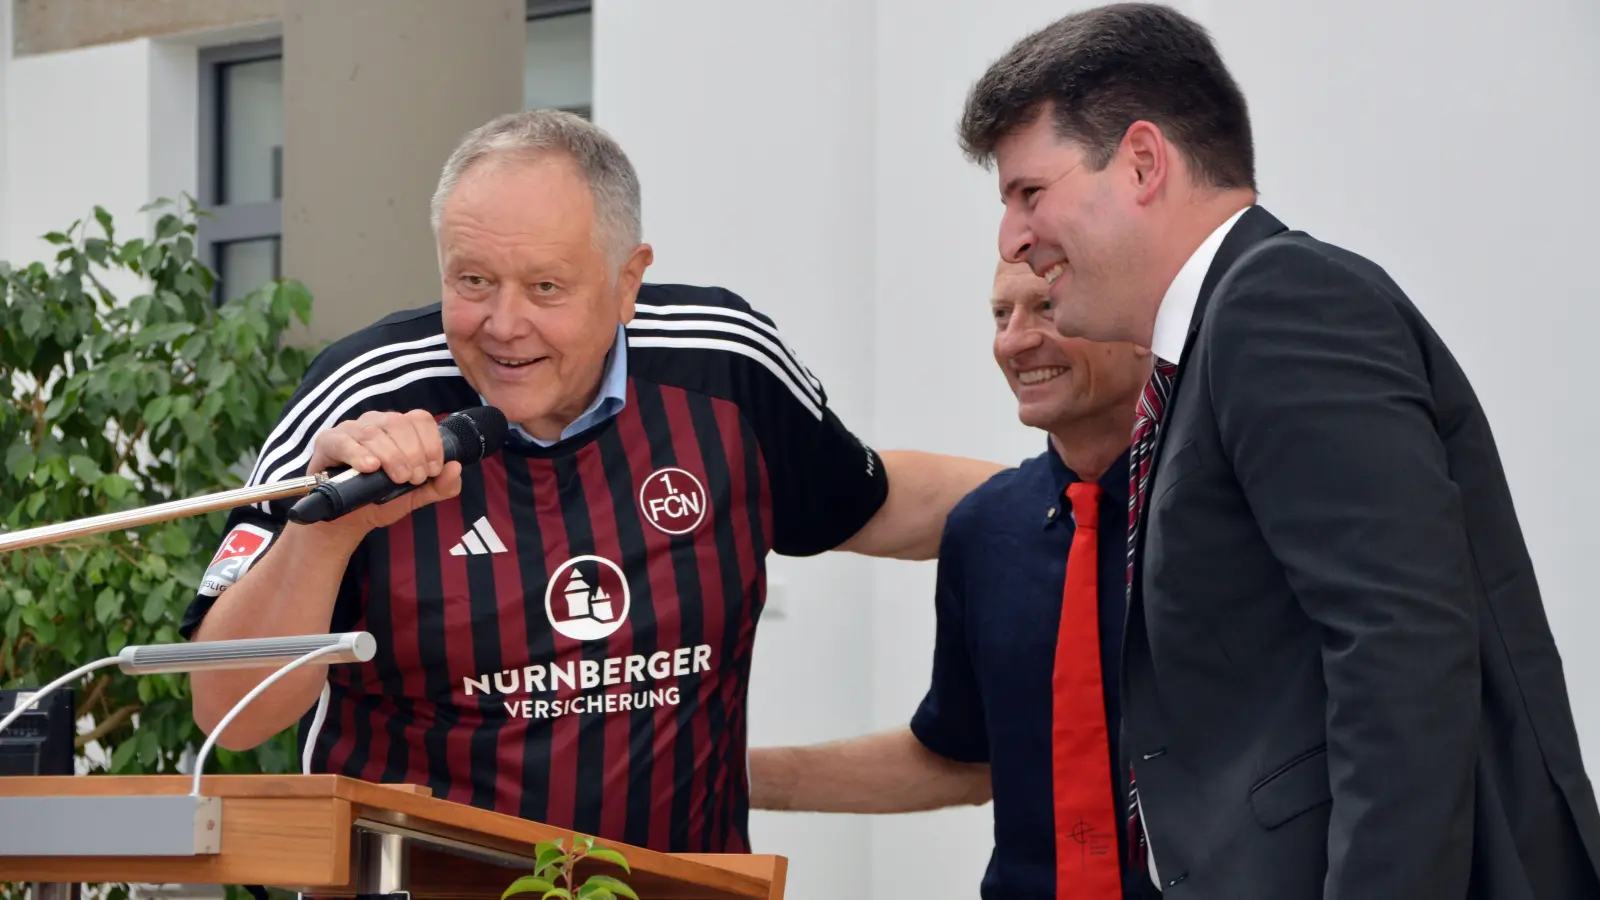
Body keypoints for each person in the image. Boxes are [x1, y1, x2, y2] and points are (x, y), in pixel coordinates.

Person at [180, 108, 1002, 854]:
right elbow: (229, 711)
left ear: (628, 281)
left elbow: (875, 503)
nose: (504, 325)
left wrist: (1104, 492)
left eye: (545, 287)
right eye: (471, 282)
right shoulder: (363, 394)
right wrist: (327, 531)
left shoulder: (724, 366)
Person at [958, 4, 1600, 898]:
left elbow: (1398, 649)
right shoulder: (1206, 355)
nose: (1012, 241)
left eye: (1030, 193)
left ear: (1142, 162)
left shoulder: (1276, 300)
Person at [749, 259, 1156, 899]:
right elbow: (962, 760)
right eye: (1001, 313)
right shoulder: (986, 528)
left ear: (1144, 320)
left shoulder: (1219, 515)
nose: (1016, 340)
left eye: (1046, 307)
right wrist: (726, 775)